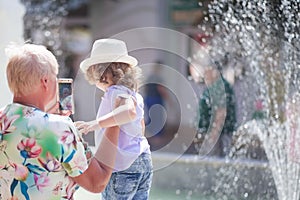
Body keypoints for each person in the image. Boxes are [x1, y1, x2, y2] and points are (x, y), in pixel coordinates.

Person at [0, 43, 121, 199]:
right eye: (54, 77)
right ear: (45, 81)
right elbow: (97, 182)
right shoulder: (58, 128)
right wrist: (115, 120)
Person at [75, 38, 153, 200]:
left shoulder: (115, 92)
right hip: (143, 160)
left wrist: (95, 124)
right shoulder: (135, 94)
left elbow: (129, 112)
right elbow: (141, 127)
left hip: (122, 166)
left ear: (99, 72)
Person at [190, 54, 236, 157]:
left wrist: (212, 136)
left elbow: (221, 113)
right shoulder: (216, 86)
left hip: (219, 136)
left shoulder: (219, 87)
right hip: (216, 135)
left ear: (214, 72)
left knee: (216, 162)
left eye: (207, 71)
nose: (205, 74)